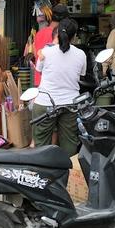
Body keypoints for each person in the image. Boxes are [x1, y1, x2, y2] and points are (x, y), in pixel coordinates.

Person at [32, 18, 86, 156]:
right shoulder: (81, 54)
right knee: (69, 143)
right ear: (74, 36)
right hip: (70, 104)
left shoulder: (46, 52)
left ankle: (42, 172)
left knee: (41, 143)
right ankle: (68, 174)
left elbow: (38, 69)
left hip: (45, 103)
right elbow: (81, 74)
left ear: (57, 33)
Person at [33, 4, 69, 86]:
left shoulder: (39, 33)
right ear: (64, 20)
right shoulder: (59, 35)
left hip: (39, 80)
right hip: (52, 83)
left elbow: (36, 54)